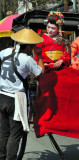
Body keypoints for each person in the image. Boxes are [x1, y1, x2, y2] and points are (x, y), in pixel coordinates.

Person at [0, 28, 45, 160]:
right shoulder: (27, 59)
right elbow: (40, 73)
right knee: (15, 134)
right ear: (30, 46)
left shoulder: (5, 52)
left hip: (1, 96)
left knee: (3, 133)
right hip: (16, 100)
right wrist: (40, 55)